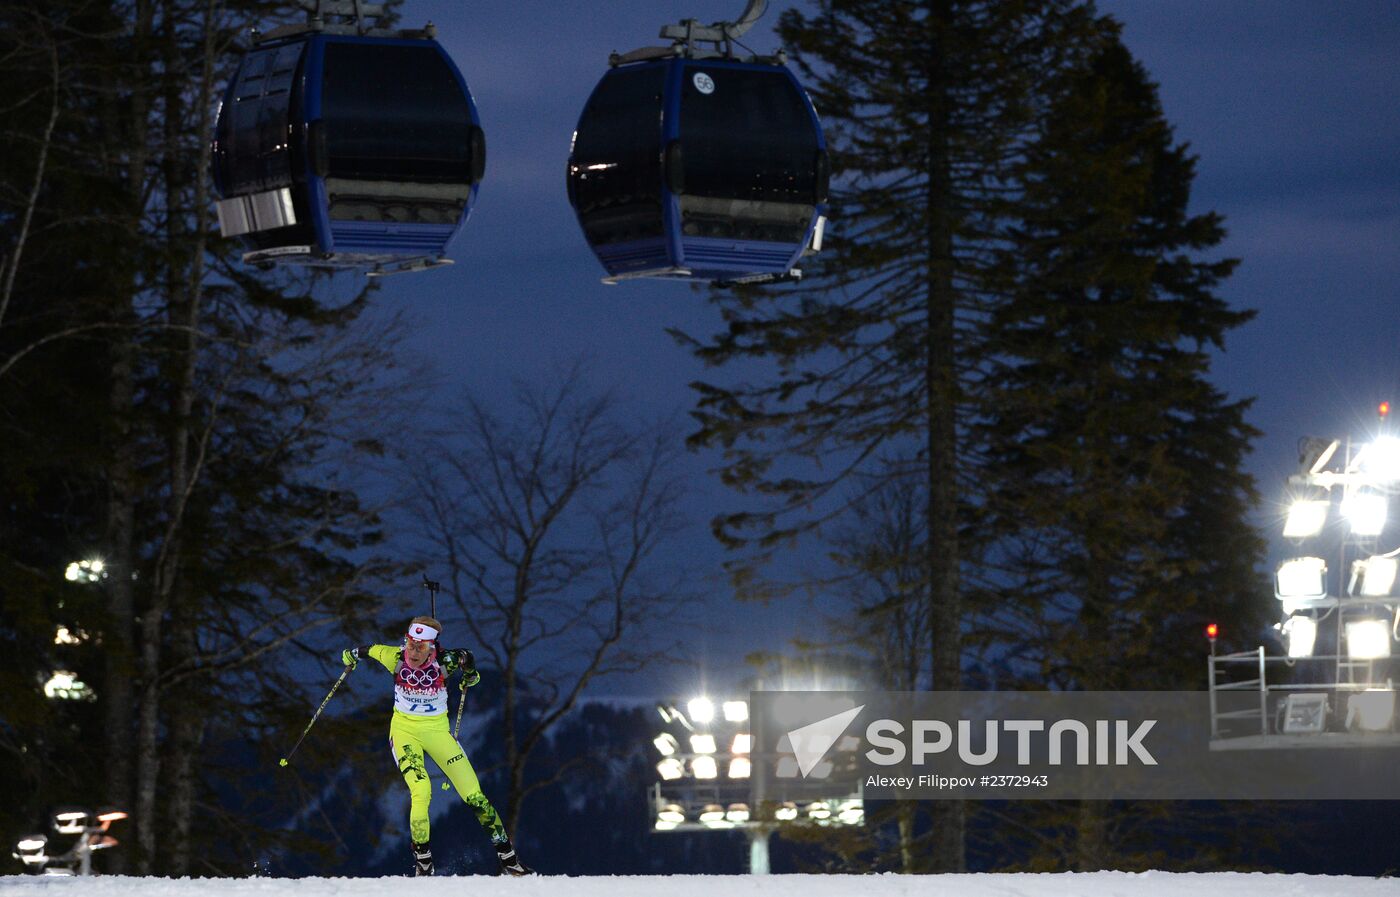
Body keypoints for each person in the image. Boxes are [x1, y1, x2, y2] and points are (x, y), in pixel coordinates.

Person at [342, 616, 531, 876]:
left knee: (474, 795)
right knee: (421, 790)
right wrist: (350, 655)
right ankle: (424, 864)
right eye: (410, 644)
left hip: (438, 733)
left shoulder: (447, 660)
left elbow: (467, 657)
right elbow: (368, 649)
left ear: (433, 648)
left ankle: (509, 860)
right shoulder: (393, 656)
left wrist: (471, 675)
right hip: (405, 732)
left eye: (421, 647)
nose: (413, 652)